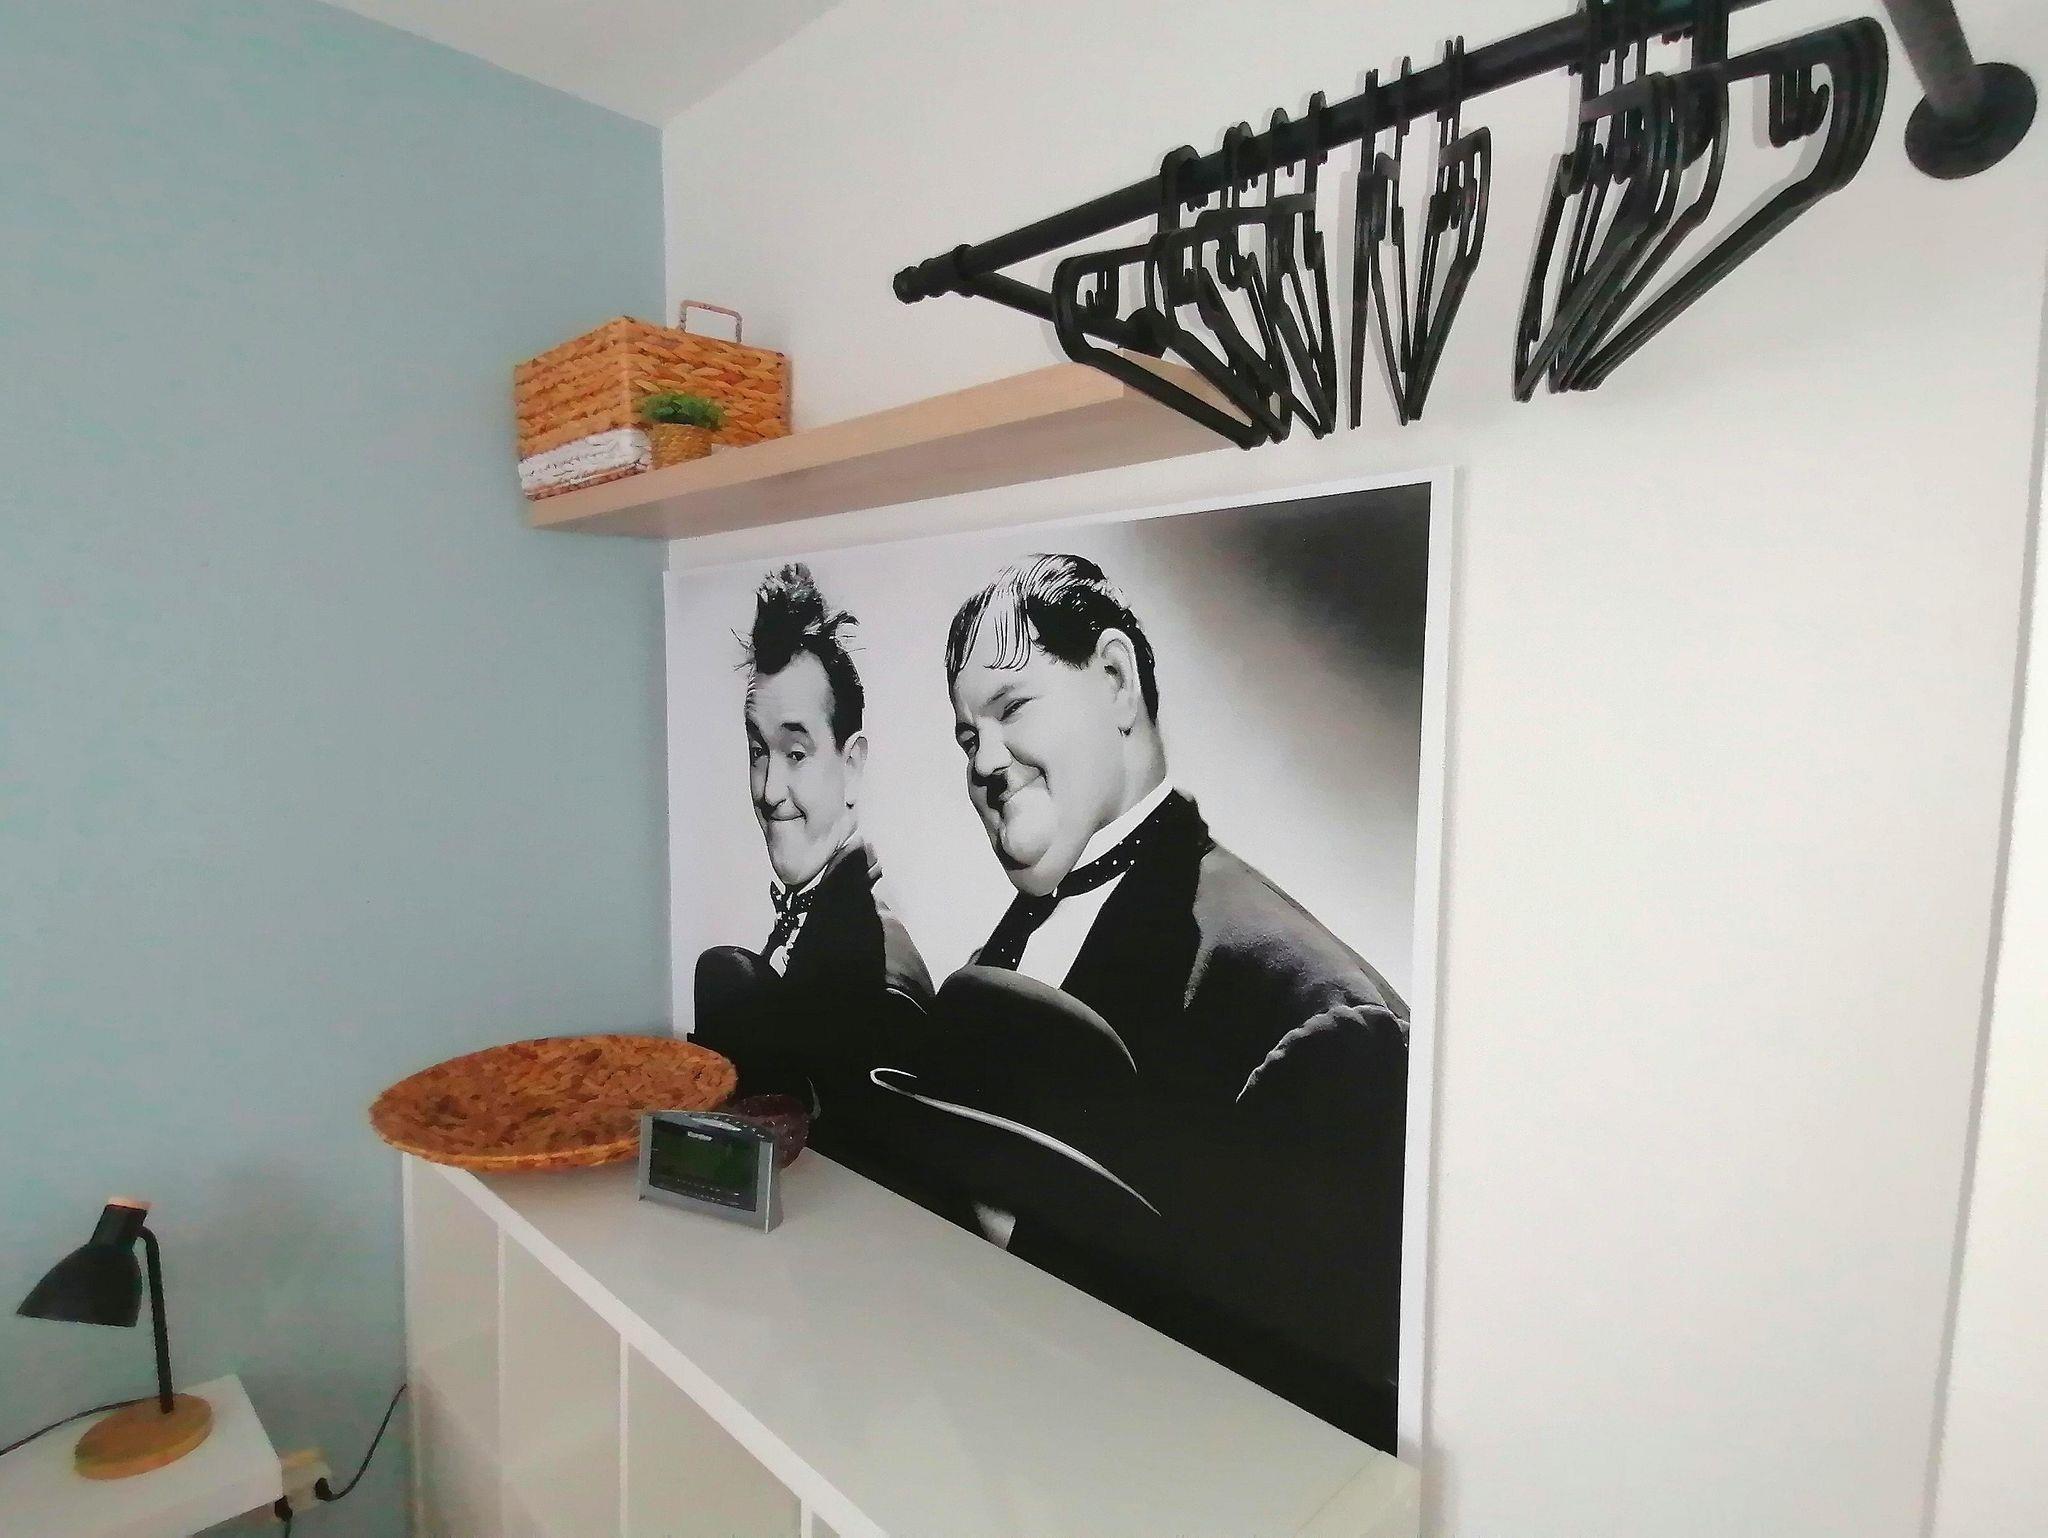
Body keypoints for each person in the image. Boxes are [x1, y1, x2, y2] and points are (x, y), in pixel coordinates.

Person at [928, 552, 1410, 1448]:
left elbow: (1301, 1419)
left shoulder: (1317, 1019)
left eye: (1012, 707)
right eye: (965, 737)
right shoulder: (996, 959)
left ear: (1116, 679)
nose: (984, 761)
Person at [690, 563, 938, 1200]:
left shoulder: (874, 973)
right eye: (758, 751)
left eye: (796, 754)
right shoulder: (814, 924)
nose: (770, 790)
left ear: (852, 765)